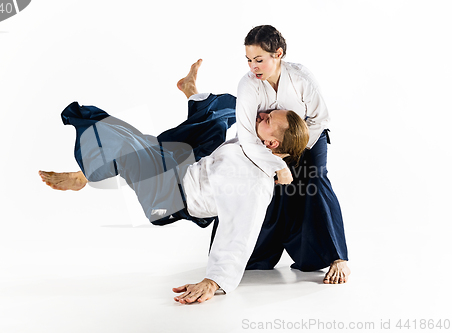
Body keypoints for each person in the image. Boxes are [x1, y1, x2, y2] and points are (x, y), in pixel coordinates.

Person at [39, 60, 310, 304]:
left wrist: (215, 281)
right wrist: (280, 165)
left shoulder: (253, 185)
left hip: (170, 196)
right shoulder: (257, 144)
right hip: (192, 165)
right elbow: (253, 113)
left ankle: (84, 175)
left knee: (123, 140)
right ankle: (190, 90)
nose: (262, 115)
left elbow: (241, 233)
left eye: (267, 120)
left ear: (272, 142)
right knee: (221, 115)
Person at [233, 25, 350, 284]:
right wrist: (277, 163)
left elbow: (321, 118)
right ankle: (250, 255)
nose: (253, 66)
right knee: (266, 188)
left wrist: (297, 150)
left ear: (278, 54)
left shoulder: (300, 78)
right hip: (264, 146)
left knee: (314, 181)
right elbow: (246, 137)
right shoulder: (248, 85)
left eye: (259, 59)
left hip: (308, 138)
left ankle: (336, 257)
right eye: (249, 60)